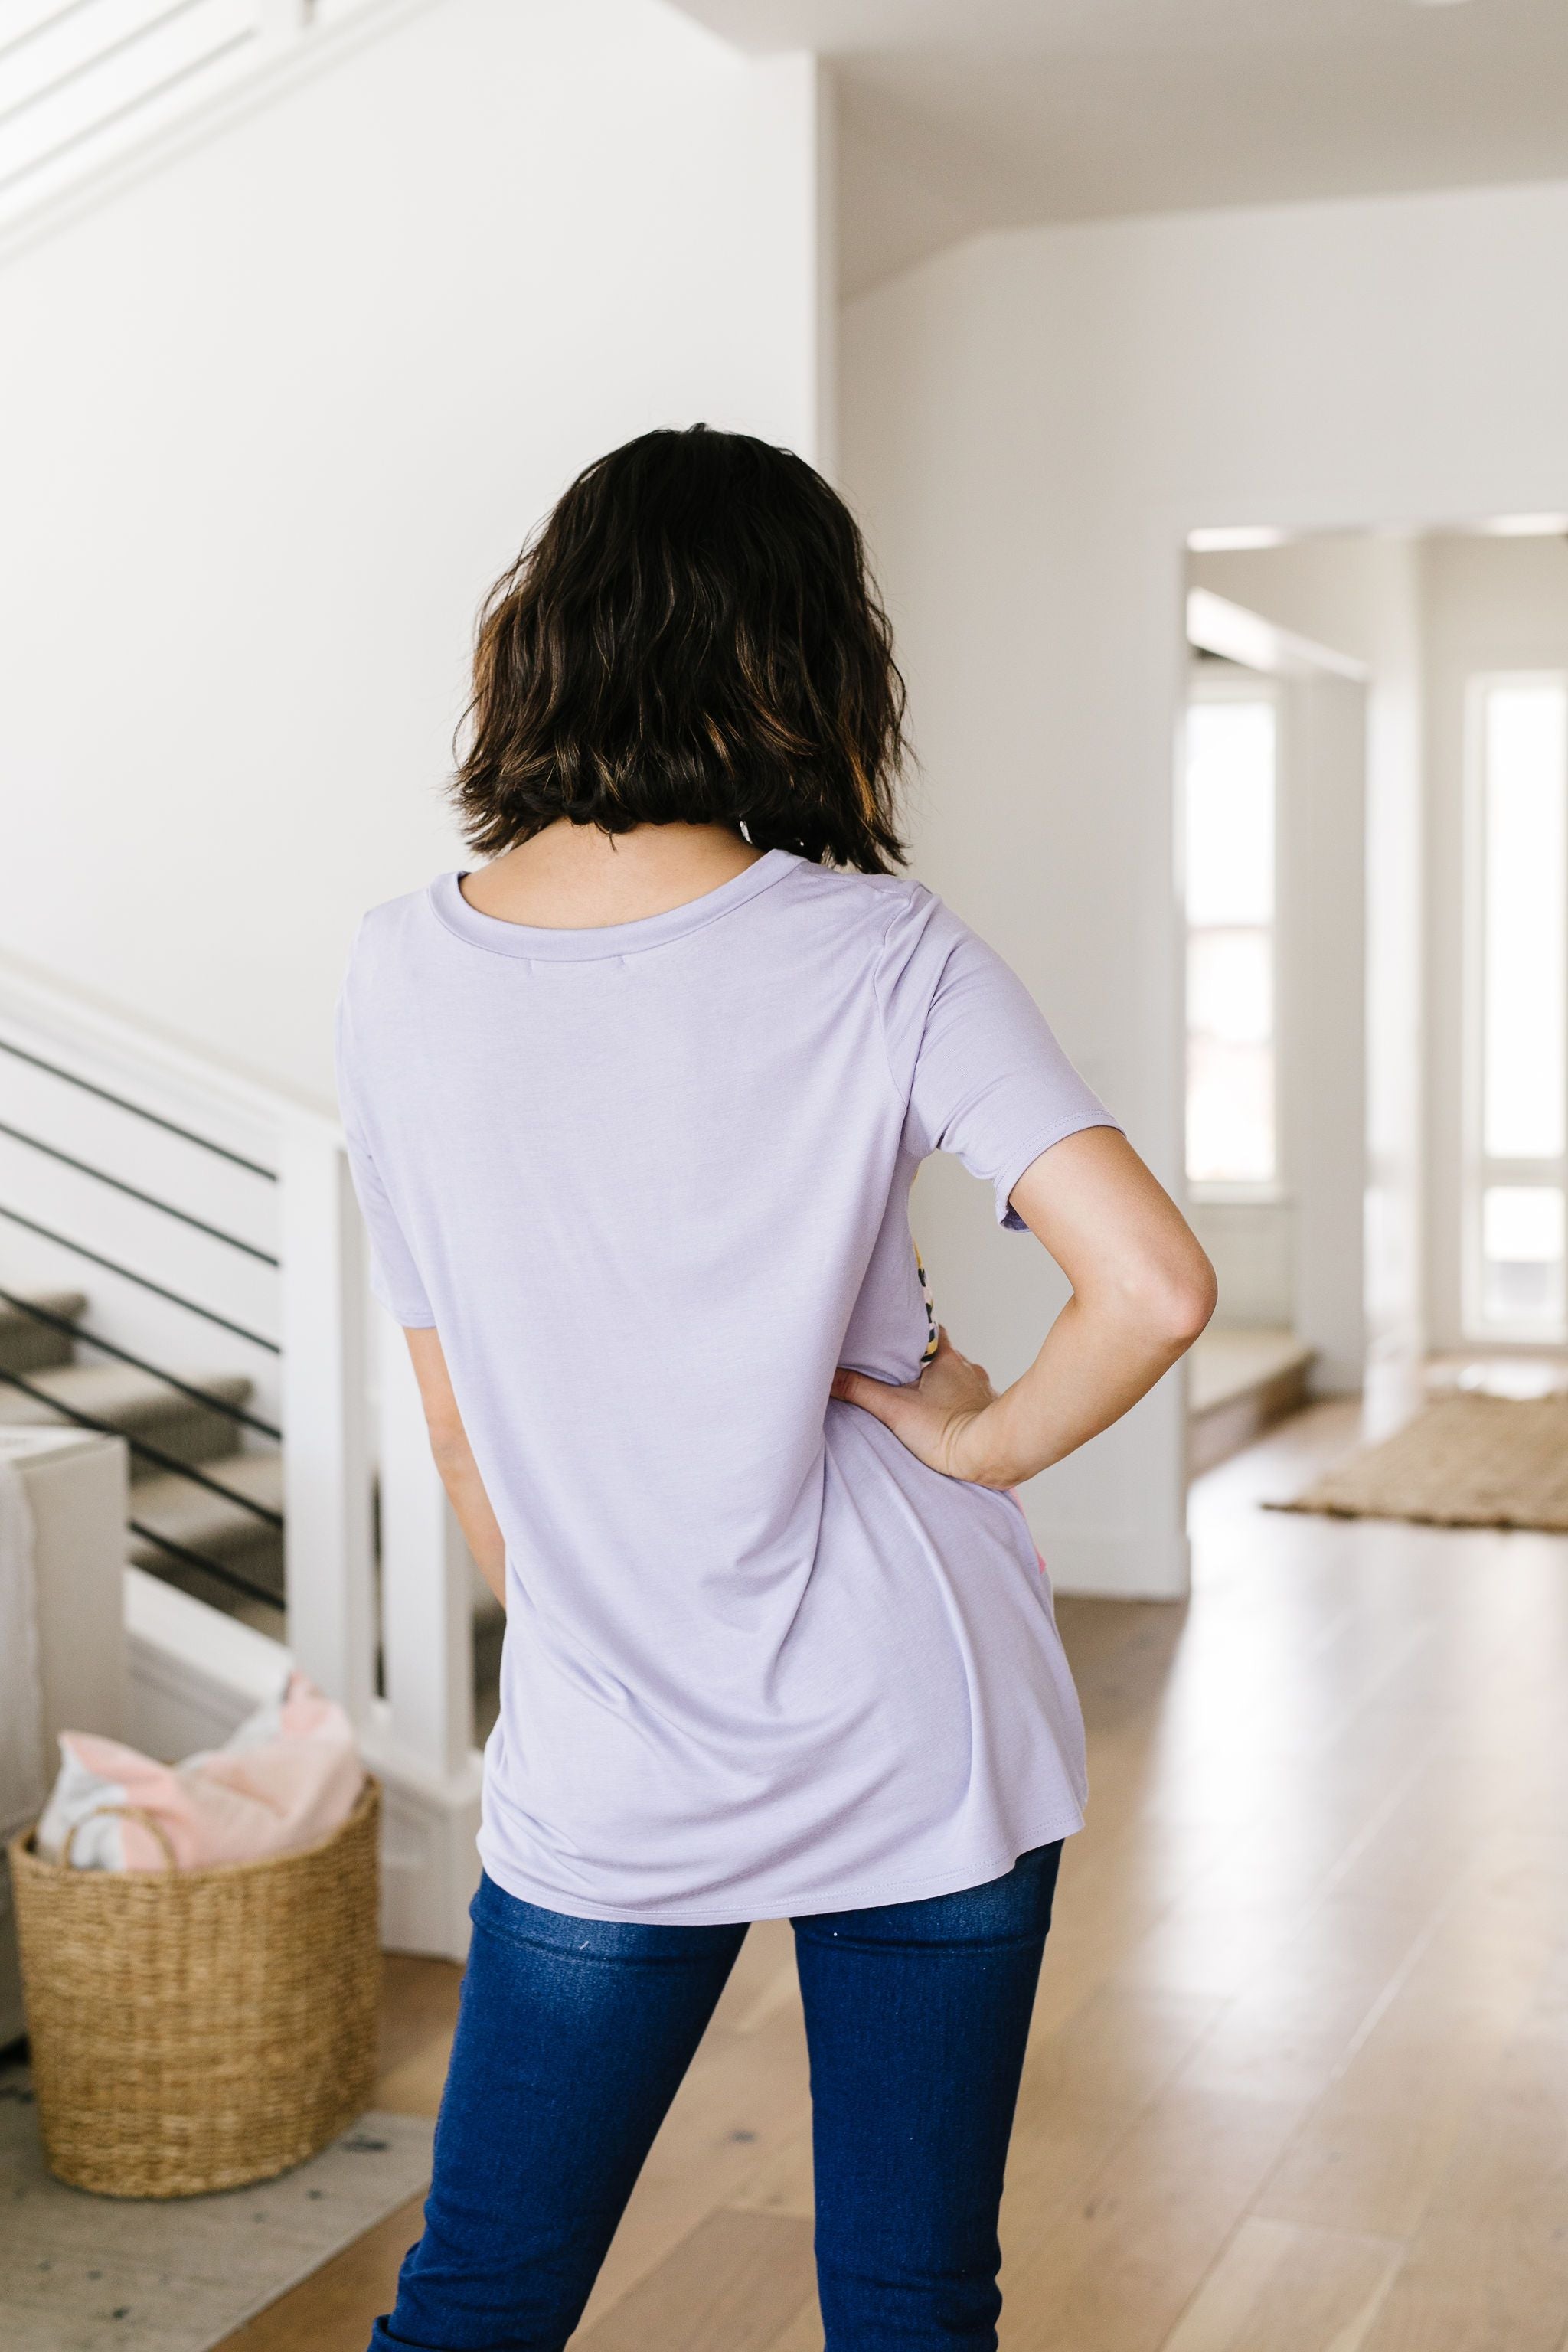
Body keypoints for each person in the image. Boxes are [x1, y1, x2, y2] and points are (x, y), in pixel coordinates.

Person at [338, 425, 1215, 2352]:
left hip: (606, 1729)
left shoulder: (395, 978)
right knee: (912, 2303)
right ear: (803, 667)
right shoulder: (879, 951)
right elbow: (1149, 1287)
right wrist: (982, 1436)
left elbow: (464, 1420)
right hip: (916, 1710)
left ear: (545, 641)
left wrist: (610, 1621)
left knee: (477, 2296)